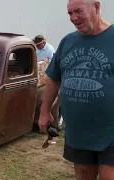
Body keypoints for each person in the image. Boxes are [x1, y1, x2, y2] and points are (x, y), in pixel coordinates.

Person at [38, 0, 114, 179]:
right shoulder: (68, 41)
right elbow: (54, 79)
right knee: (83, 174)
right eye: (70, 13)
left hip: (110, 129)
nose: (73, 18)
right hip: (79, 129)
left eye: (78, 11)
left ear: (96, 7)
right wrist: (44, 110)